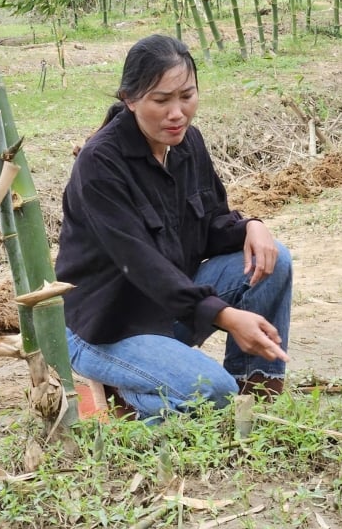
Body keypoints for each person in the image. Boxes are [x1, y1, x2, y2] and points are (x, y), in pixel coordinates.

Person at [55, 34, 291, 421]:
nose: (177, 113)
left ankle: (256, 397)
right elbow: (145, 265)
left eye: (187, 96)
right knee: (212, 392)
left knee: (274, 259)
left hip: (166, 311)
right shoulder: (100, 165)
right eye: (161, 100)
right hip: (105, 327)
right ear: (129, 99)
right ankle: (126, 395)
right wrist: (227, 317)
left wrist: (252, 225)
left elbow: (212, 222)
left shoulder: (186, 143)